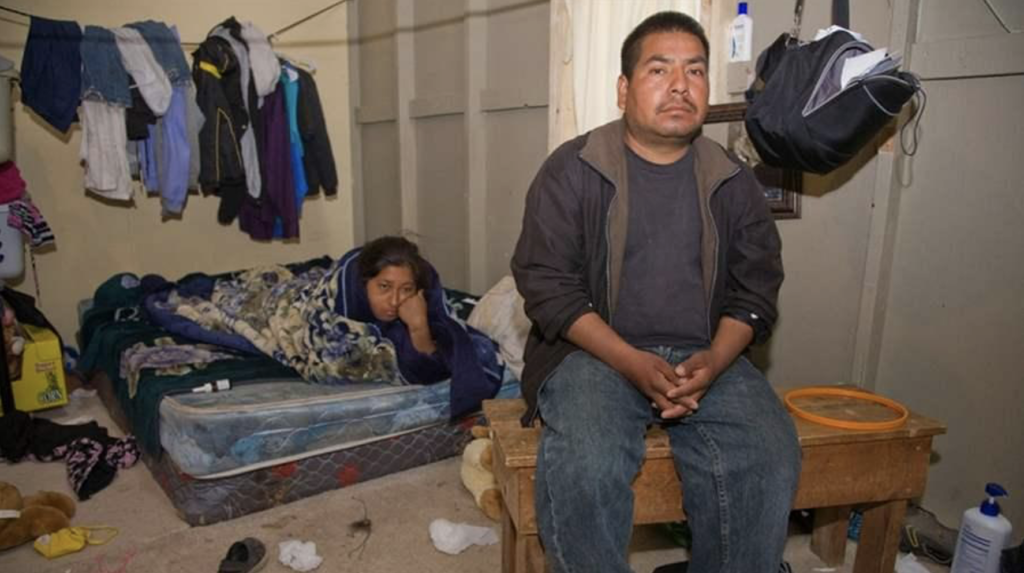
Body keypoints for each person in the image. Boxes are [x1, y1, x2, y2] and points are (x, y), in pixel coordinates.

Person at [511, 11, 801, 573]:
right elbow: (548, 287)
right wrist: (631, 362)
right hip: (593, 355)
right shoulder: (572, 170)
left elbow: (756, 290)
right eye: (659, 69)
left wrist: (715, 362)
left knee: (767, 453)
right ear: (624, 89)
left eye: (694, 71)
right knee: (588, 462)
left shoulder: (733, 181)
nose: (679, 86)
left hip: (704, 355)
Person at [336, 235, 504, 418]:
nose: (395, 301)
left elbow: (430, 370)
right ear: (362, 284)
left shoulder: (413, 311)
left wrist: (419, 327)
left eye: (407, 289)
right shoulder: (342, 298)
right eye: (384, 287)